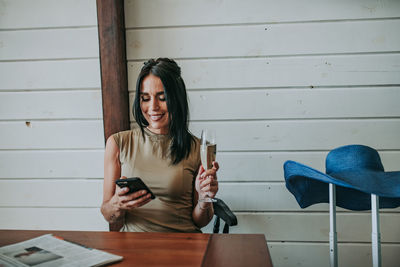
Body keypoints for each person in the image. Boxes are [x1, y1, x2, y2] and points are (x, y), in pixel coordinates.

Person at [101, 58, 219, 232]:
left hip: (183, 244)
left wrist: (204, 198)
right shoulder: (118, 143)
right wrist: (116, 203)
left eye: (162, 98)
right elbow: (107, 214)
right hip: (135, 248)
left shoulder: (198, 148)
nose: (153, 107)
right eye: (145, 98)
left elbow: (200, 222)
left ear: (176, 99)